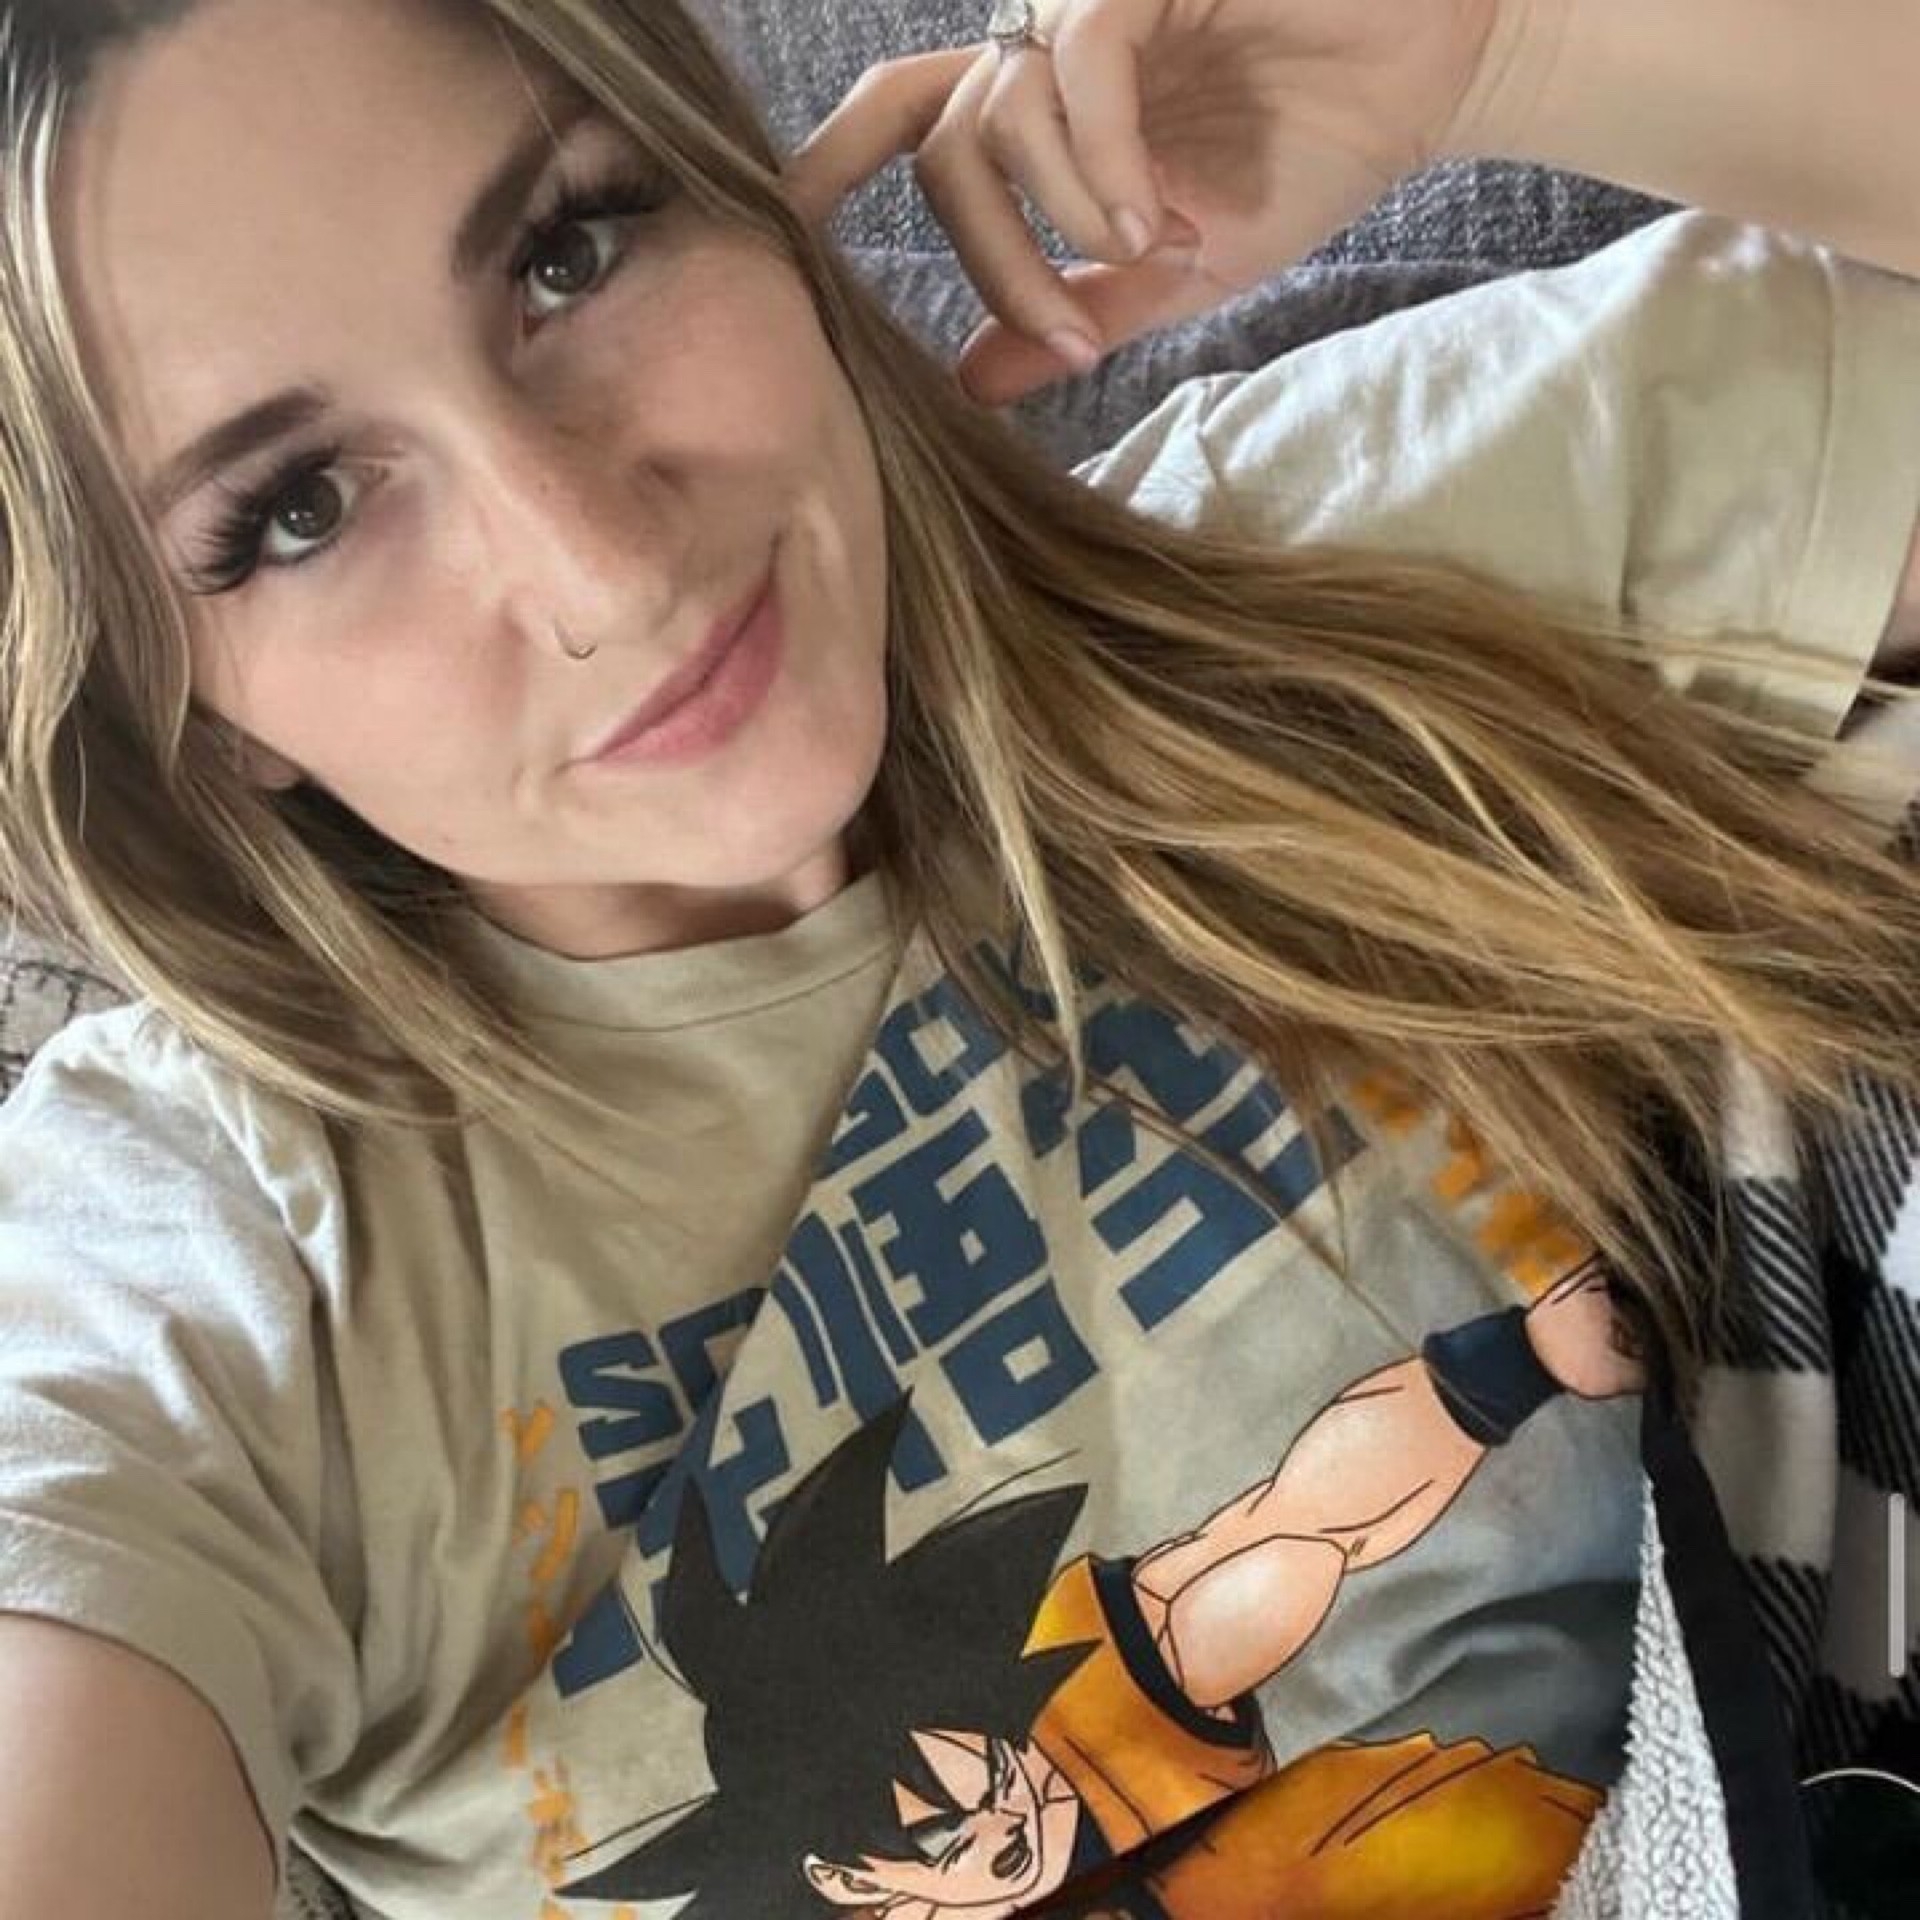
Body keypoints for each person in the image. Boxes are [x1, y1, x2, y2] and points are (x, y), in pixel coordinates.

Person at [0, 1, 1915, 1917]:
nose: (603, 571)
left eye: (568, 254)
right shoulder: (207, 1257)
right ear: (187, 710)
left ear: (746, 205)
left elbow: (1299, 1536)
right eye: (299, 511)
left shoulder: (1346, 578)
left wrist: (1511, 46)